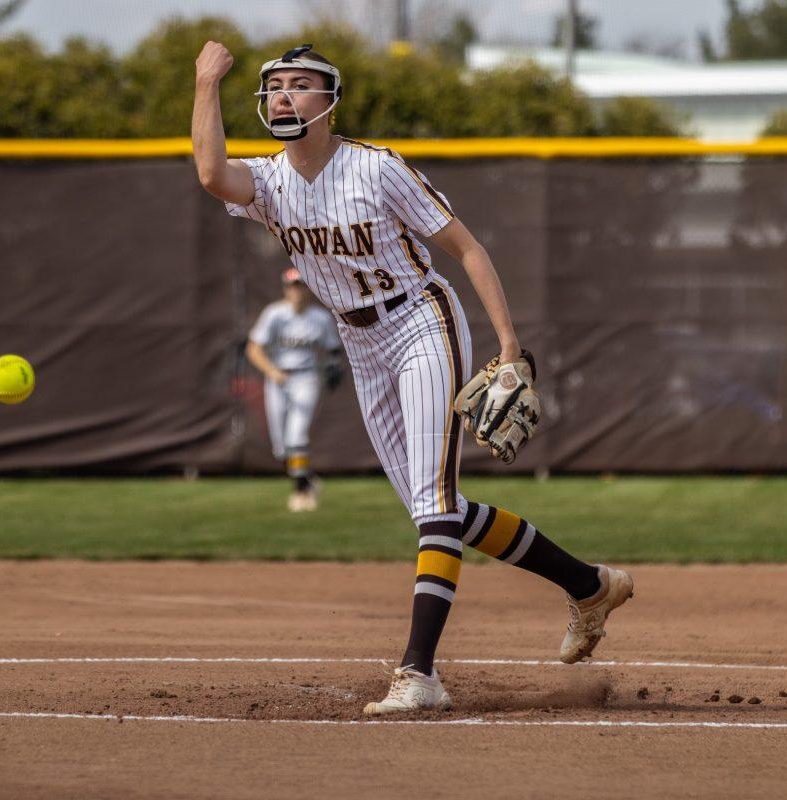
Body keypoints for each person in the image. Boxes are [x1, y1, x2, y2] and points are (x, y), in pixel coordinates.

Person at [192, 41, 634, 715]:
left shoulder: (376, 168)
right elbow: (210, 173)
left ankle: (419, 674)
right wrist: (205, 83)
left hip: (420, 320)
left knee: (433, 503)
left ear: (330, 101)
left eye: (300, 84)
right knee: (439, 511)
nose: (283, 94)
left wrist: (510, 348)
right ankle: (591, 586)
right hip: (358, 338)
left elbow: (467, 247)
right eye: (274, 84)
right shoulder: (272, 181)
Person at [246, 267, 344, 512]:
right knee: (281, 448)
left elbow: (334, 349)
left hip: (307, 378)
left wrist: (332, 367)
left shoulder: (320, 318)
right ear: (285, 289)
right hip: (277, 378)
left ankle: (302, 492)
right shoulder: (274, 314)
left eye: (300, 285)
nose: (296, 290)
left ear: (307, 288)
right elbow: (253, 348)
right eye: (292, 286)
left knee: (297, 435)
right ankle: (308, 478)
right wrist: (271, 372)